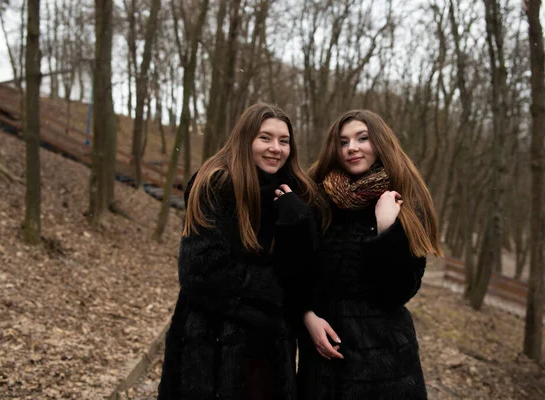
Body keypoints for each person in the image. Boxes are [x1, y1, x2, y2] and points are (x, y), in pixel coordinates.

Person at [158, 103, 317, 400]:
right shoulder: (216, 184)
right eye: (265, 138)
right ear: (246, 139)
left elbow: (304, 273)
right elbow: (201, 272)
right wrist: (277, 300)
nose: (276, 148)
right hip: (210, 349)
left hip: (270, 352)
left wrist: (298, 223)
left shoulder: (295, 192)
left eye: (284, 141)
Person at [297, 110, 443, 399]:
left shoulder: (404, 200)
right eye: (343, 142)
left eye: (362, 138)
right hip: (324, 359)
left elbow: (399, 291)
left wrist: (386, 229)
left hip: (384, 365)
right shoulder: (317, 199)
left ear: (380, 143)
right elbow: (298, 270)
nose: (352, 147)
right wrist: (306, 315)